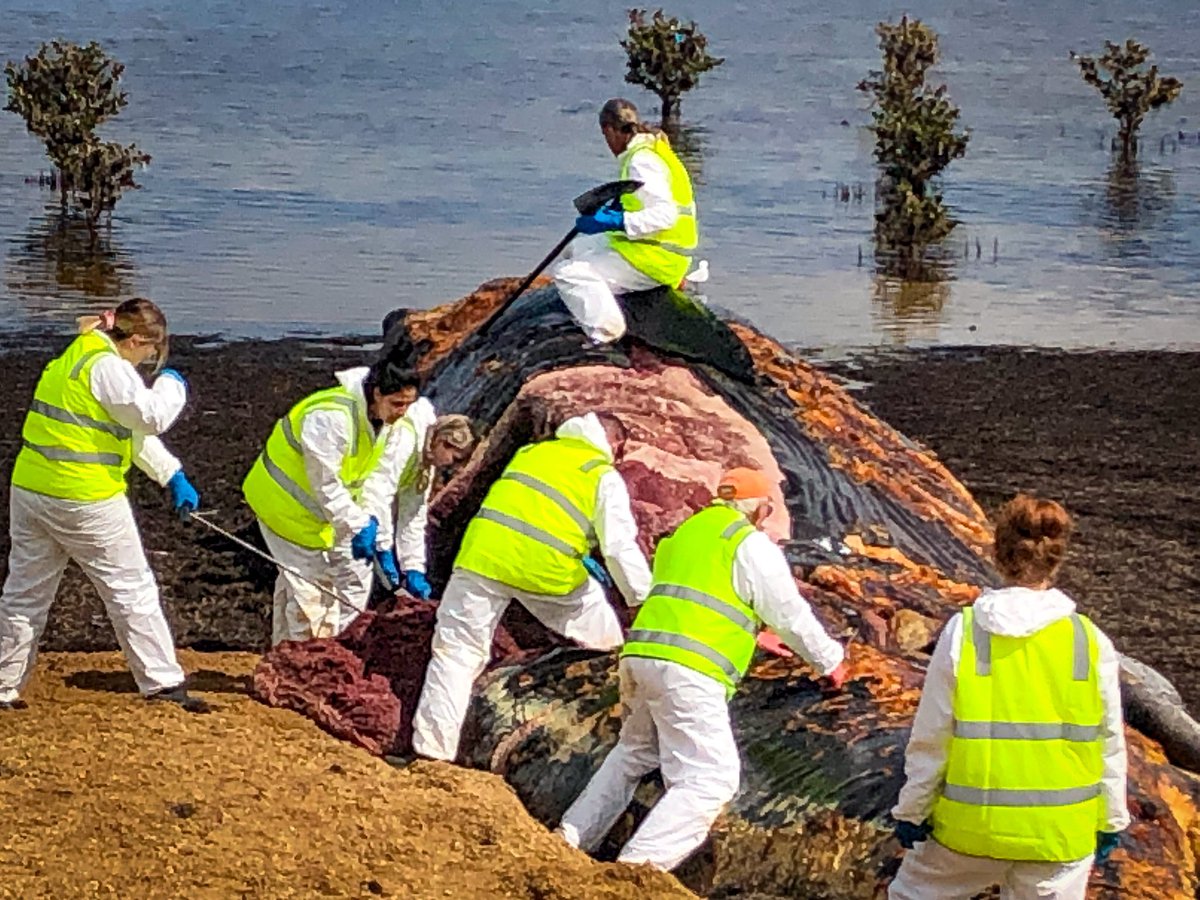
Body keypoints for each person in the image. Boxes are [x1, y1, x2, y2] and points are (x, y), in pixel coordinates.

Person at [556, 466, 848, 870]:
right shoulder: (748, 543)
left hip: (642, 654)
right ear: (761, 509)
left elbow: (696, 599)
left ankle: (569, 838)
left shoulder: (686, 535)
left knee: (633, 752)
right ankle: (638, 870)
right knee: (710, 778)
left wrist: (751, 629)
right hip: (690, 668)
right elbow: (790, 613)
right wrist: (830, 661)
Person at [888, 495, 1129, 900]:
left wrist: (911, 812)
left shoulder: (964, 633)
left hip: (972, 827)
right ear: (1057, 557)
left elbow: (932, 737)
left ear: (998, 553)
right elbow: (1109, 743)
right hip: (1060, 833)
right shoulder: (1089, 642)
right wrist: (1112, 820)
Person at [0, 299, 206, 712]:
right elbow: (148, 418)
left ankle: (4, 685)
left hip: (31, 490)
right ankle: (162, 681)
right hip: (84, 498)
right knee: (131, 589)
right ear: (137, 340)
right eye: (151, 352)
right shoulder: (108, 367)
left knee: (24, 595)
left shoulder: (76, 356)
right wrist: (173, 384)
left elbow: (119, 428)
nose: (148, 362)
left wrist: (170, 473)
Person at [410, 411, 652, 761]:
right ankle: (607, 735)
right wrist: (641, 599)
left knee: (456, 652)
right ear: (613, 442)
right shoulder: (601, 474)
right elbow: (618, 547)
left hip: (482, 556)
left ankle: (432, 753)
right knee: (606, 643)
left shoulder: (531, 453)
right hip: (545, 569)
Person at [242, 356, 421, 645]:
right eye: (397, 404)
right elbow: (325, 484)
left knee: (298, 587)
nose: (403, 412)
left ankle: (282, 657)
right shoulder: (331, 418)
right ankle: (306, 667)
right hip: (283, 506)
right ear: (377, 393)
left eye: (408, 405)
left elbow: (375, 485)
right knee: (312, 595)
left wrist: (381, 541)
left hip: (318, 515)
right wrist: (357, 524)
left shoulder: (388, 425)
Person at [553, 97, 702, 345]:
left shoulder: (641, 161)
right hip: (657, 249)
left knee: (569, 273)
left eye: (606, 136)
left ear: (609, 130)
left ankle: (606, 332)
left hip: (658, 259)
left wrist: (616, 220)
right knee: (577, 249)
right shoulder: (653, 150)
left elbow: (665, 216)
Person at [391, 412, 477, 600]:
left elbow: (412, 517)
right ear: (443, 442)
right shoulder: (404, 444)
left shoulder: (426, 468)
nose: (451, 466)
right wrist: (381, 546)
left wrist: (413, 567)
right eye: (454, 458)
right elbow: (377, 496)